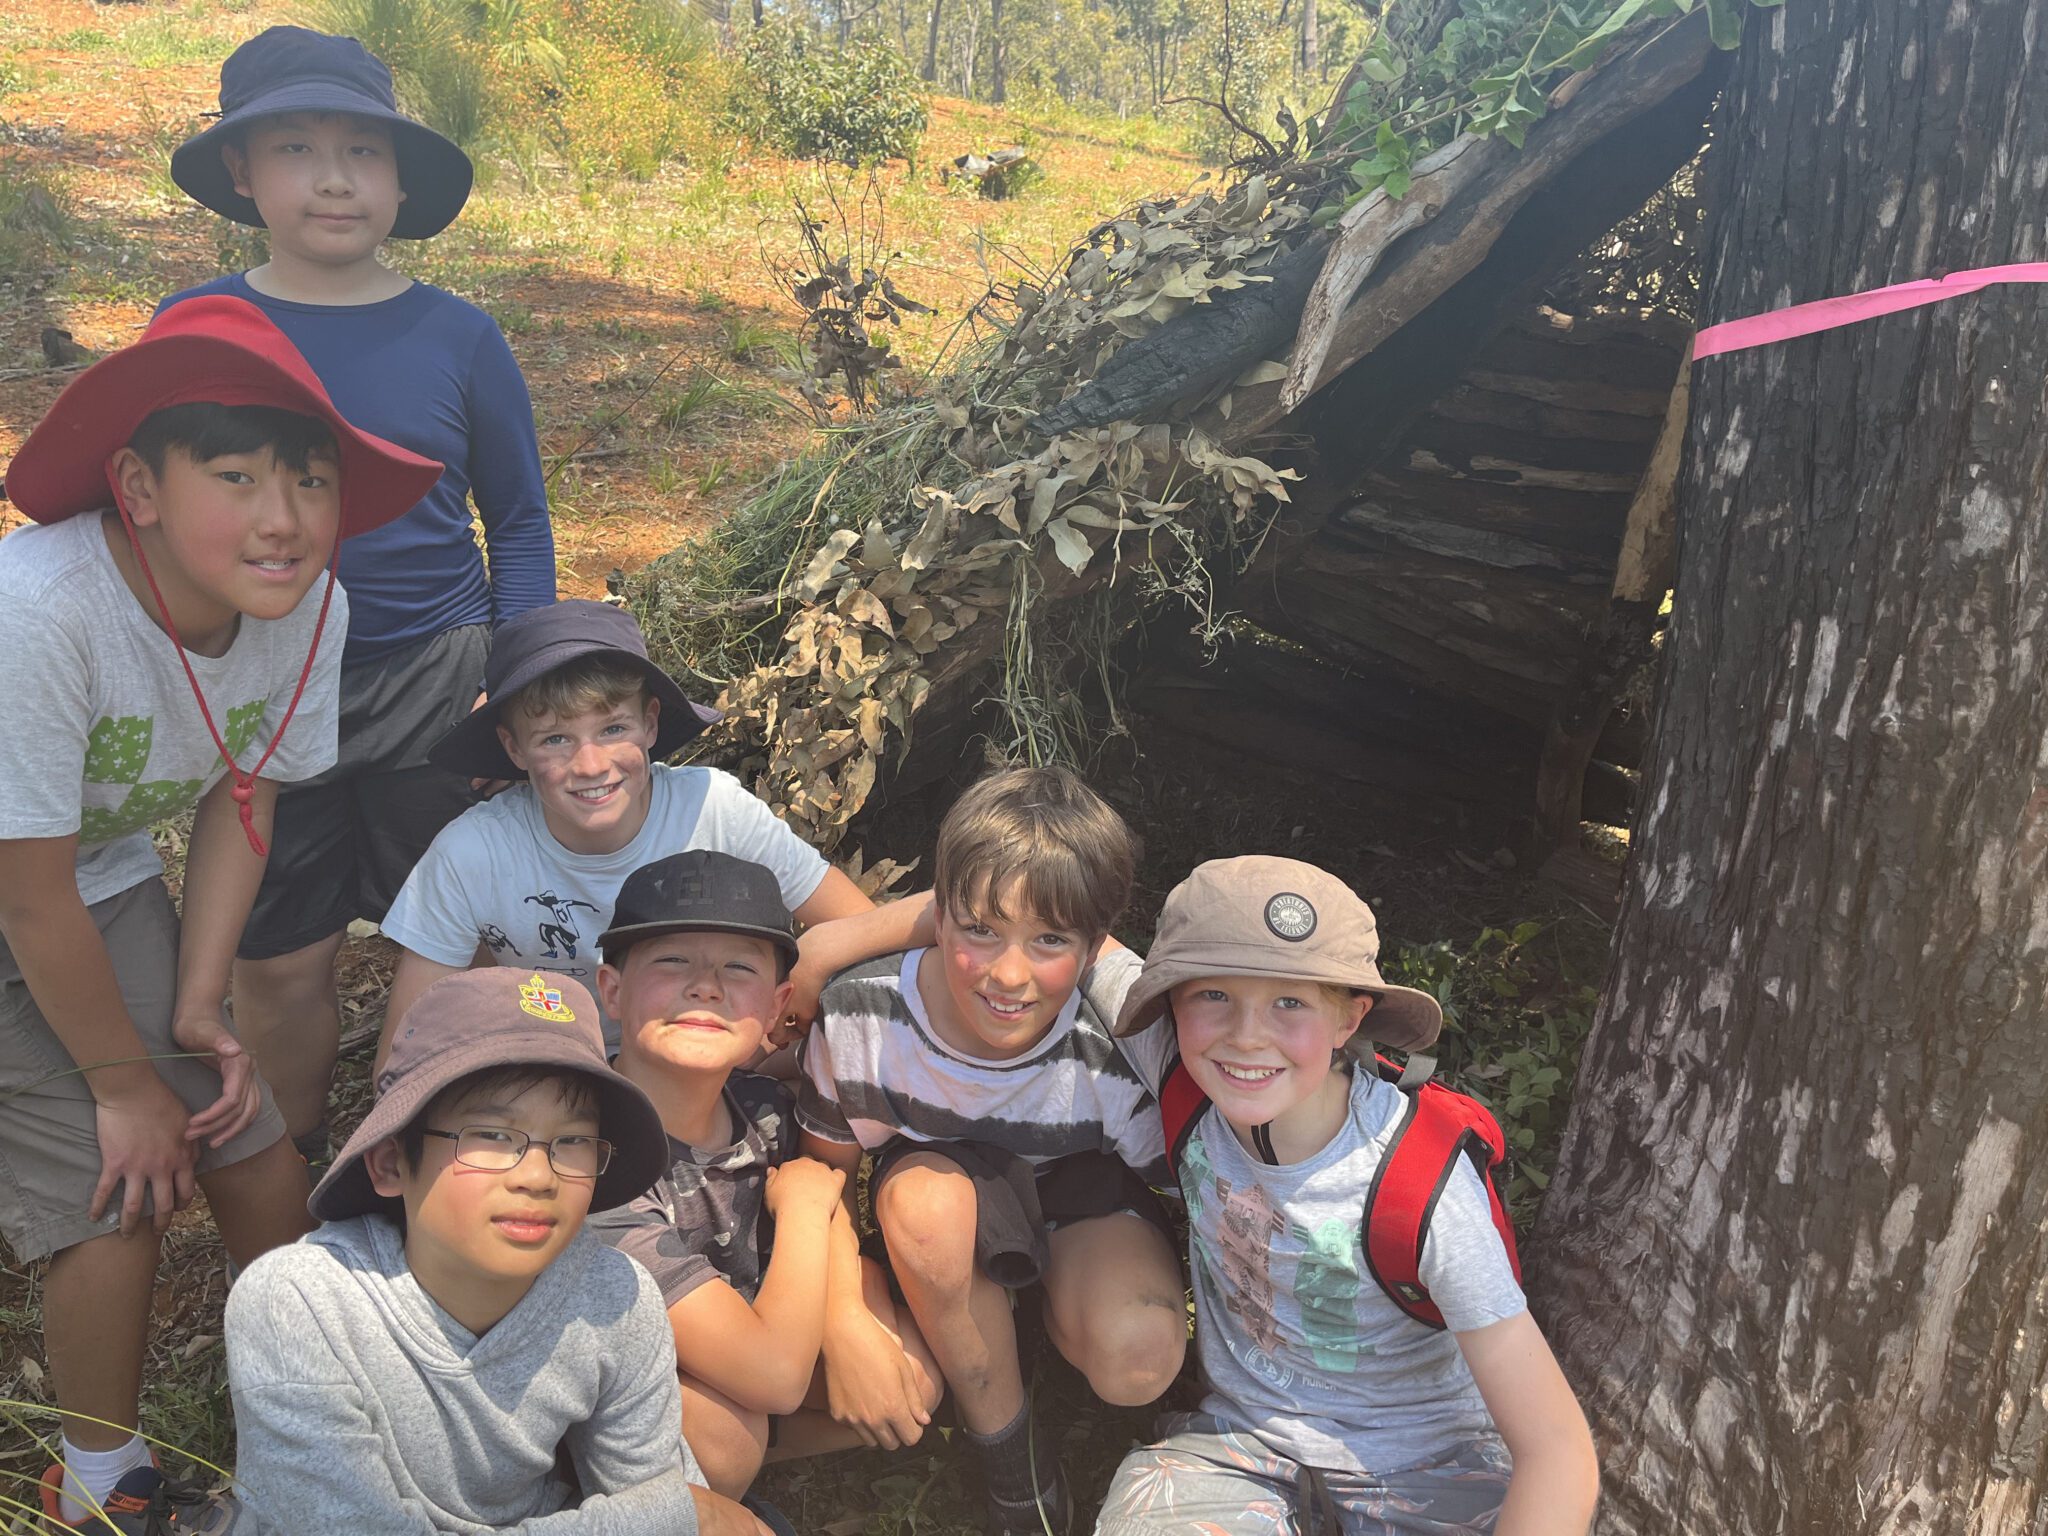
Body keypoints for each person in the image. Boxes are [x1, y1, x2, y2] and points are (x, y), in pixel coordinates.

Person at [0, 294, 442, 1528]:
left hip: (88, 877)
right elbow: (26, 899)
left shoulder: (305, 607)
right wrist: (126, 1086)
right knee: (117, 1176)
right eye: (235, 475)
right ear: (137, 485)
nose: (282, 516)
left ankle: (319, 1399)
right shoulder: (38, 613)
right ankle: (98, 1481)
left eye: (310, 479)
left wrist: (197, 1008)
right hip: (22, 886)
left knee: (246, 1135)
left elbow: (241, 792)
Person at [162, 25, 558, 1159]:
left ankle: (459, 1147)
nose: (333, 178)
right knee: (276, 959)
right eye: (294, 148)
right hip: (258, 689)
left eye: (362, 152)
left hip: (435, 677)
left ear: (398, 177)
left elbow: (517, 517)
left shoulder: (457, 336)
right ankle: (286, 1169)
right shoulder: (198, 329)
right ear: (242, 173)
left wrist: (514, 678)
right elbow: (153, 521)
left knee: (454, 938)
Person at [1096, 857, 1599, 1536]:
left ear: (1348, 1019)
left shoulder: (1421, 1187)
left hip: (1430, 1467)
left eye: (1290, 1001)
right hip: (1242, 1447)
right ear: (1171, 1005)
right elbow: (1060, 924)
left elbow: (1557, 1450)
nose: (1246, 1034)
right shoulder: (1185, 1077)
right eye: (1212, 994)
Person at [225, 967, 776, 1534]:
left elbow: (646, 1492)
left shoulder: (615, 1298)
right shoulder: (300, 1303)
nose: (537, 1176)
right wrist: (669, 1516)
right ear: (392, 1162)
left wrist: (665, 1516)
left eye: (573, 1141)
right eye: (490, 1135)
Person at [798, 765, 1188, 1536]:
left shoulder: (1119, 1037)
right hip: (939, 1195)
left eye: (1048, 941)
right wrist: (842, 1310)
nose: (1010, 975)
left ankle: (1070, 1323)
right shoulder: (860, 1016)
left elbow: (1199, 1200)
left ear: (1092, 948)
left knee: (1139, 1357)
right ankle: (1011, 1454)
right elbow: (821, 1178)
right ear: (937, 920)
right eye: (981, 931)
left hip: (1079, 1191)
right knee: (922, 1207)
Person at [375, 599, 927, 1059]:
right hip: (555, 1068)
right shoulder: (472, 852)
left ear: (651, 724)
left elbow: (864, 925)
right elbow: (408, 1045)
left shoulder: (713, 810)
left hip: (714, 1054)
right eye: (554, 739)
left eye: (613, 728)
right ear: (512, 748)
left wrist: (824, 951)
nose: (591, 765)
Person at [587, 850, 944, 1499]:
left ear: (780, 1001)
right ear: (611, 988)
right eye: (672, 961)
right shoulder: (596, 1161)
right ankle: (685, 1472)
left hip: (747, 1327)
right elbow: (779, 1375)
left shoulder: (763, 1106)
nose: (706, 987)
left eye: (739, 968)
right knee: (726, 1442)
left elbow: (837, 1227)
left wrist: (845, 1316)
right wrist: (806, 1208)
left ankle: (759, 1444)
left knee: (910, 1379)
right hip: (623, 1373)